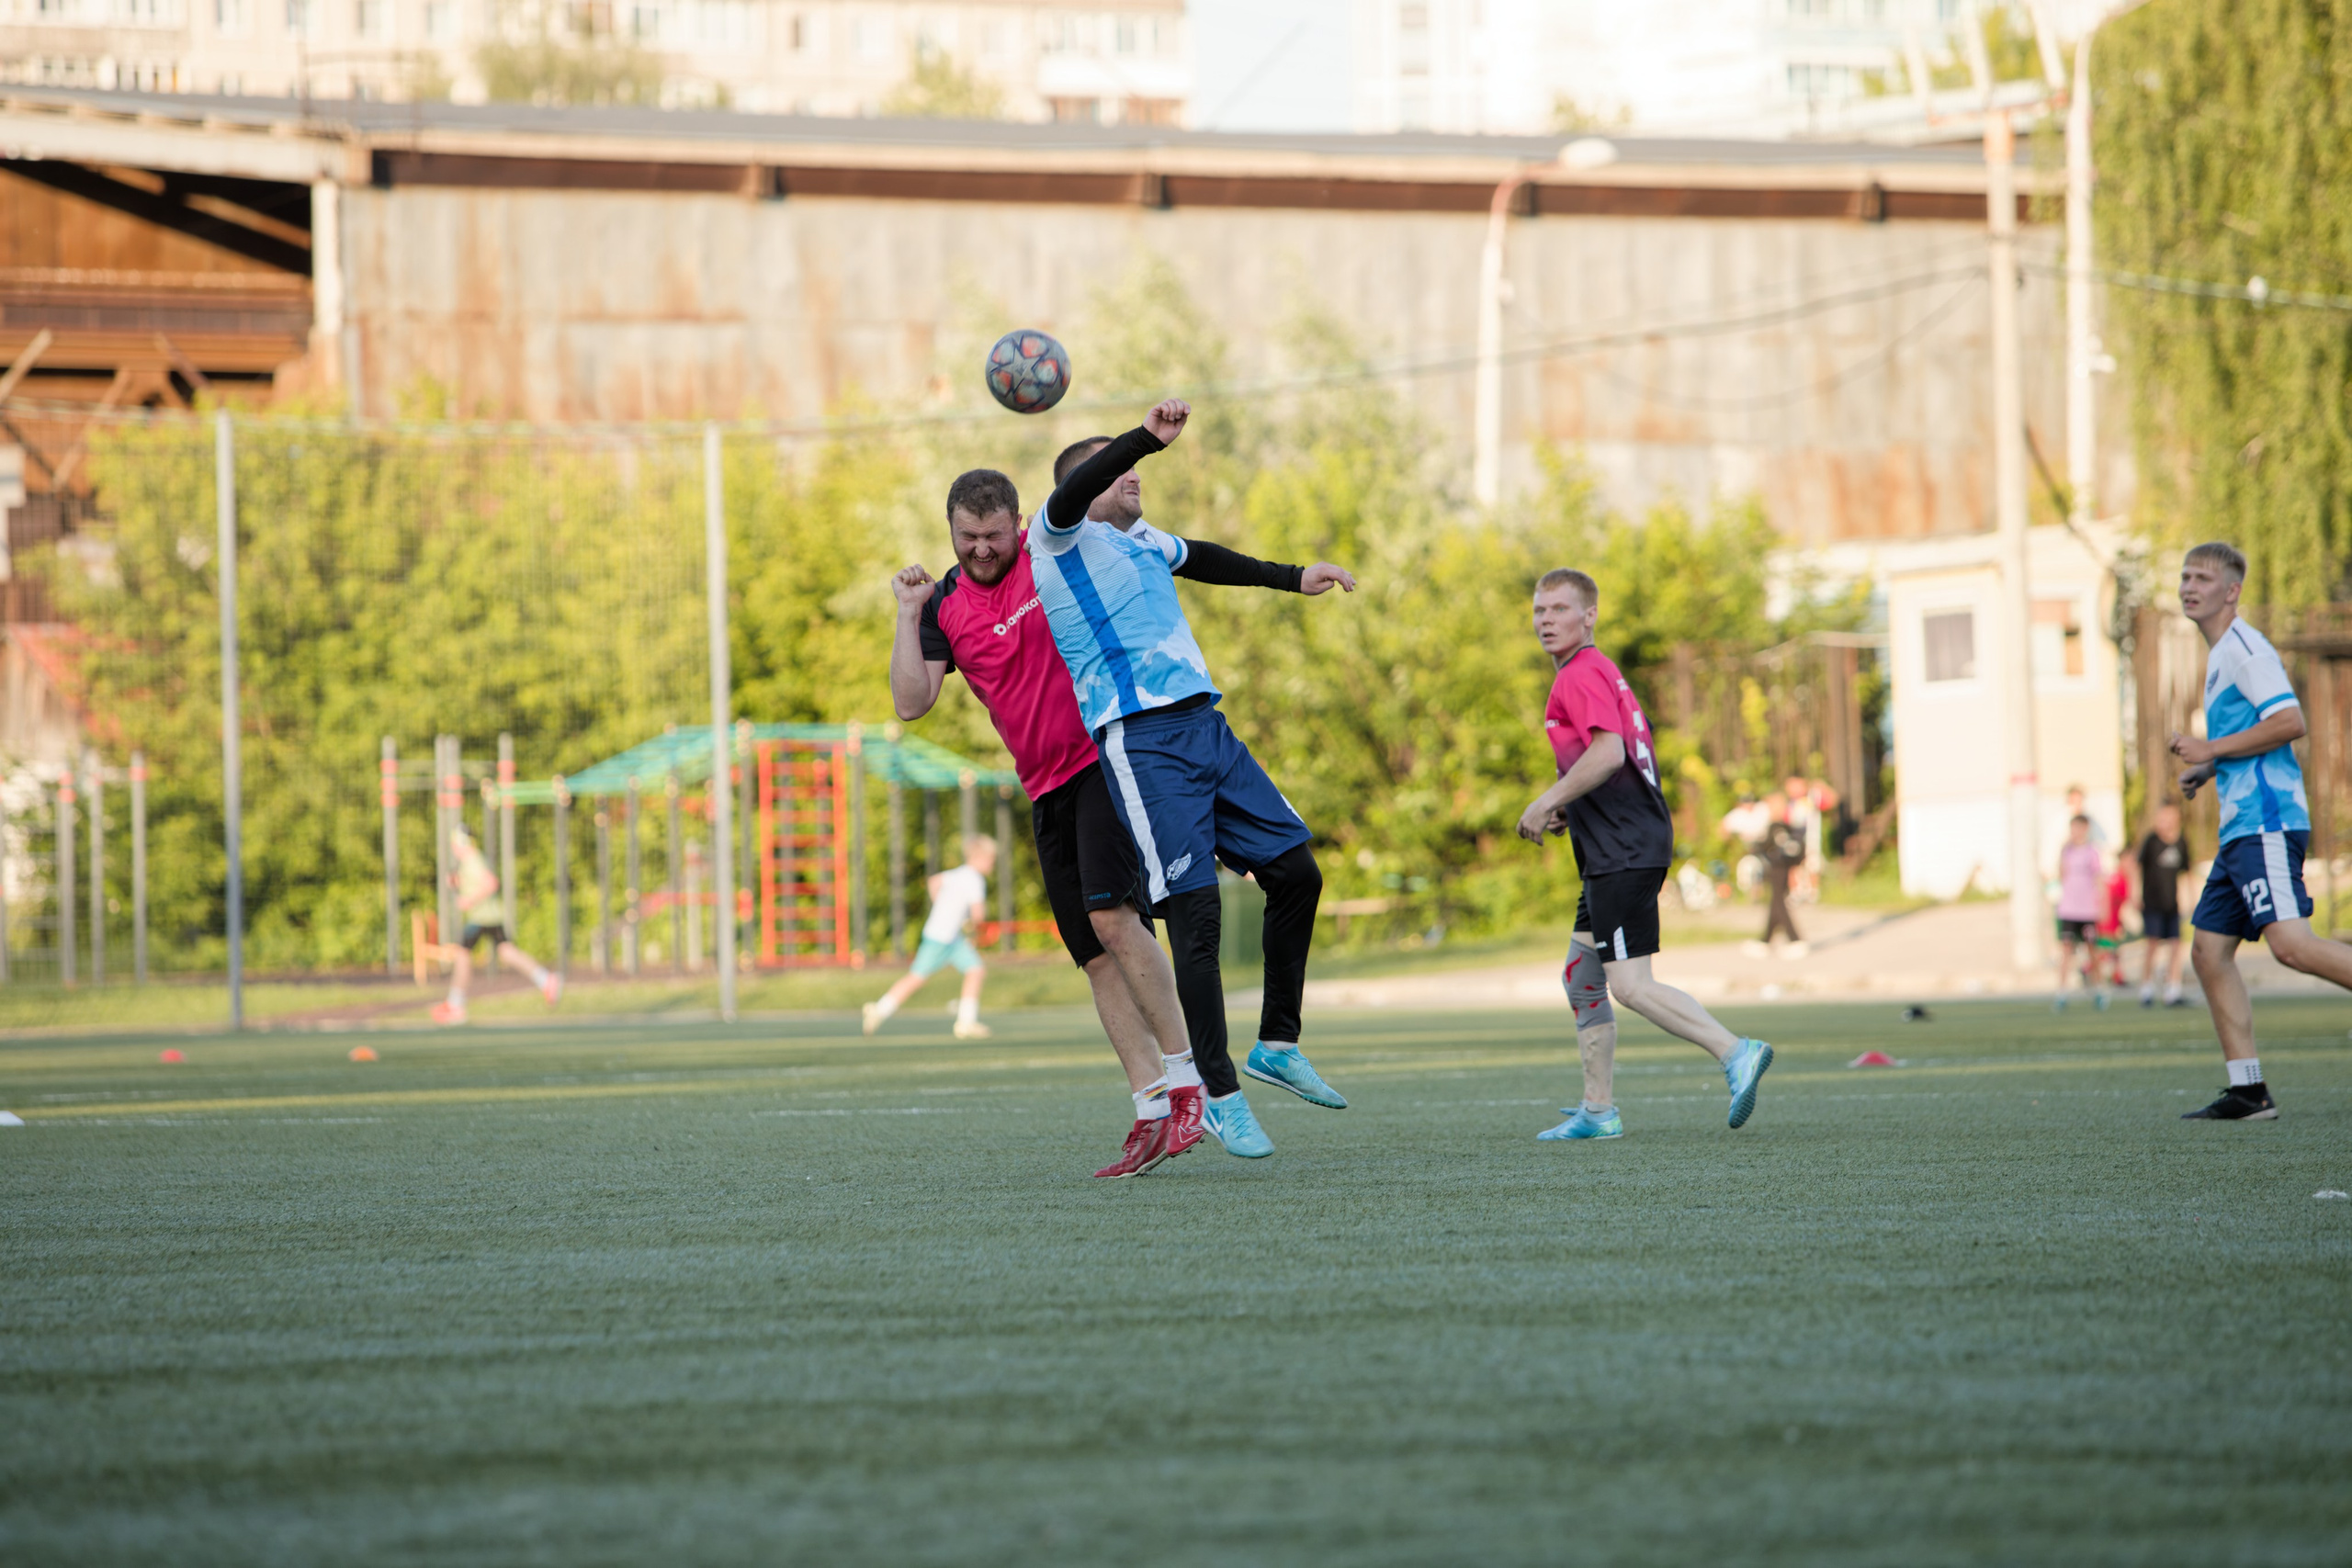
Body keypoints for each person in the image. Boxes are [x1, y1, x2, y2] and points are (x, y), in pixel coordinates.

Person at [890, 466, 1336, 1174]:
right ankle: (1153, 1107)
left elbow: (1147, 539)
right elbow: (913, 702)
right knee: (1094, 957)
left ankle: (1196, 1081)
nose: (981, 548)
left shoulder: (1051, 555)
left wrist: (1284, 574)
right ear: (950, 530)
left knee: (1117, 922)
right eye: (967, 536)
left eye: (993, 535)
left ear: (1015, 524)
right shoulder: (943, 605)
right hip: (1044, 789)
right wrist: (907, 613)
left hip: (1106, 760)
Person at [1028, 398, 1357, 1156]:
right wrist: (1143, 438)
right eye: (1120, 467)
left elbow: (1204, 557)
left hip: (1206, 728)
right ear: (1087, 483)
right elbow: (1078, 489)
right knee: (1196, 912)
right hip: (1140, 742)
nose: (1134, 475)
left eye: (1135, 465)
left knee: (1297, 874)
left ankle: (1276, 1043)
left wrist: (1293, 575)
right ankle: (1218, 1092)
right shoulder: (1059, 539)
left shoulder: (1140, 539)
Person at [1516, 568, 1775, 1142]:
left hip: (1623, 850)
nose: (1546, 621)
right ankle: (1598, 1111)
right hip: (1619, 844)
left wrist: (1546, 800)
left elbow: (1609, 755)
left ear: (1589, 616)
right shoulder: (1599, 671)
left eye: (1559, 610)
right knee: (1582, 974)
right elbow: (1618, 757)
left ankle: (1736, 1051)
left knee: (1629, 985)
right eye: (1539, 611)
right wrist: (1570, 807)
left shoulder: (1580, 673)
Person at [2170, 540, 2352, 1121]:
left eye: (2202, 578)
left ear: (2232, 591)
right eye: (2184, 576)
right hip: (2239, 829)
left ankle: (2249, 1091)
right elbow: (2256, 732)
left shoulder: (2246, 649)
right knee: (2207, 952)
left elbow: (2289, 720)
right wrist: (2210, 766)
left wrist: (2210, 747)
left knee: (2292, 948)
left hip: (2265, 823)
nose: (2189, 586)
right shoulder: (2222, 650)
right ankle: (2249, 1091)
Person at [863, 835, 997, 1043]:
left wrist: (941, 905)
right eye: (991, 860)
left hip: (949, 936)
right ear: (979, 857)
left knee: (975, 970)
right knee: (917, 977)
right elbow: (978, 915)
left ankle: (966, 1021)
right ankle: (879, 1010)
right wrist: (974, 926)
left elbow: (934, 881)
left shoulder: (957, 874)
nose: (992, 864)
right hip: (943, 937)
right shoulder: (975, 880)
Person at [431, 826, 561, 1026]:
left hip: (482, 917)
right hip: (489, 916)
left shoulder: (472, 859)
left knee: (463, 953)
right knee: (507, 952)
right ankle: (546, 979)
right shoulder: (471, 860)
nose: (453, 847)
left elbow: (491, 883)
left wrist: (469, 901)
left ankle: (456, 1005)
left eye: (455, 843)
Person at [2132, 801, 2190, 1007]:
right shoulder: (2151, 841)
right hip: (2152, 903)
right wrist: (2135, 893)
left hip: (2171, 905)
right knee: (2152, 944)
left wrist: (2188, 900)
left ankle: (2173, 990)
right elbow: (2137, 868)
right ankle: (2146, 988)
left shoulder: (2181, 842)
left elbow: (2186, 873)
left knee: (2175, 946)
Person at [2052, 815, 2105, 1010]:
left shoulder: (2092, 852)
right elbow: (2061, 874)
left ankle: (2099, 989)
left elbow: (2099, 878)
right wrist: (2061, 852)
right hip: (2068, 909)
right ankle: (2062, 992)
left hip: (2087, 910)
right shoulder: (2066, 851)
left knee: (2092, 950)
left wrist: (2102, 904)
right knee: (2066, 950)